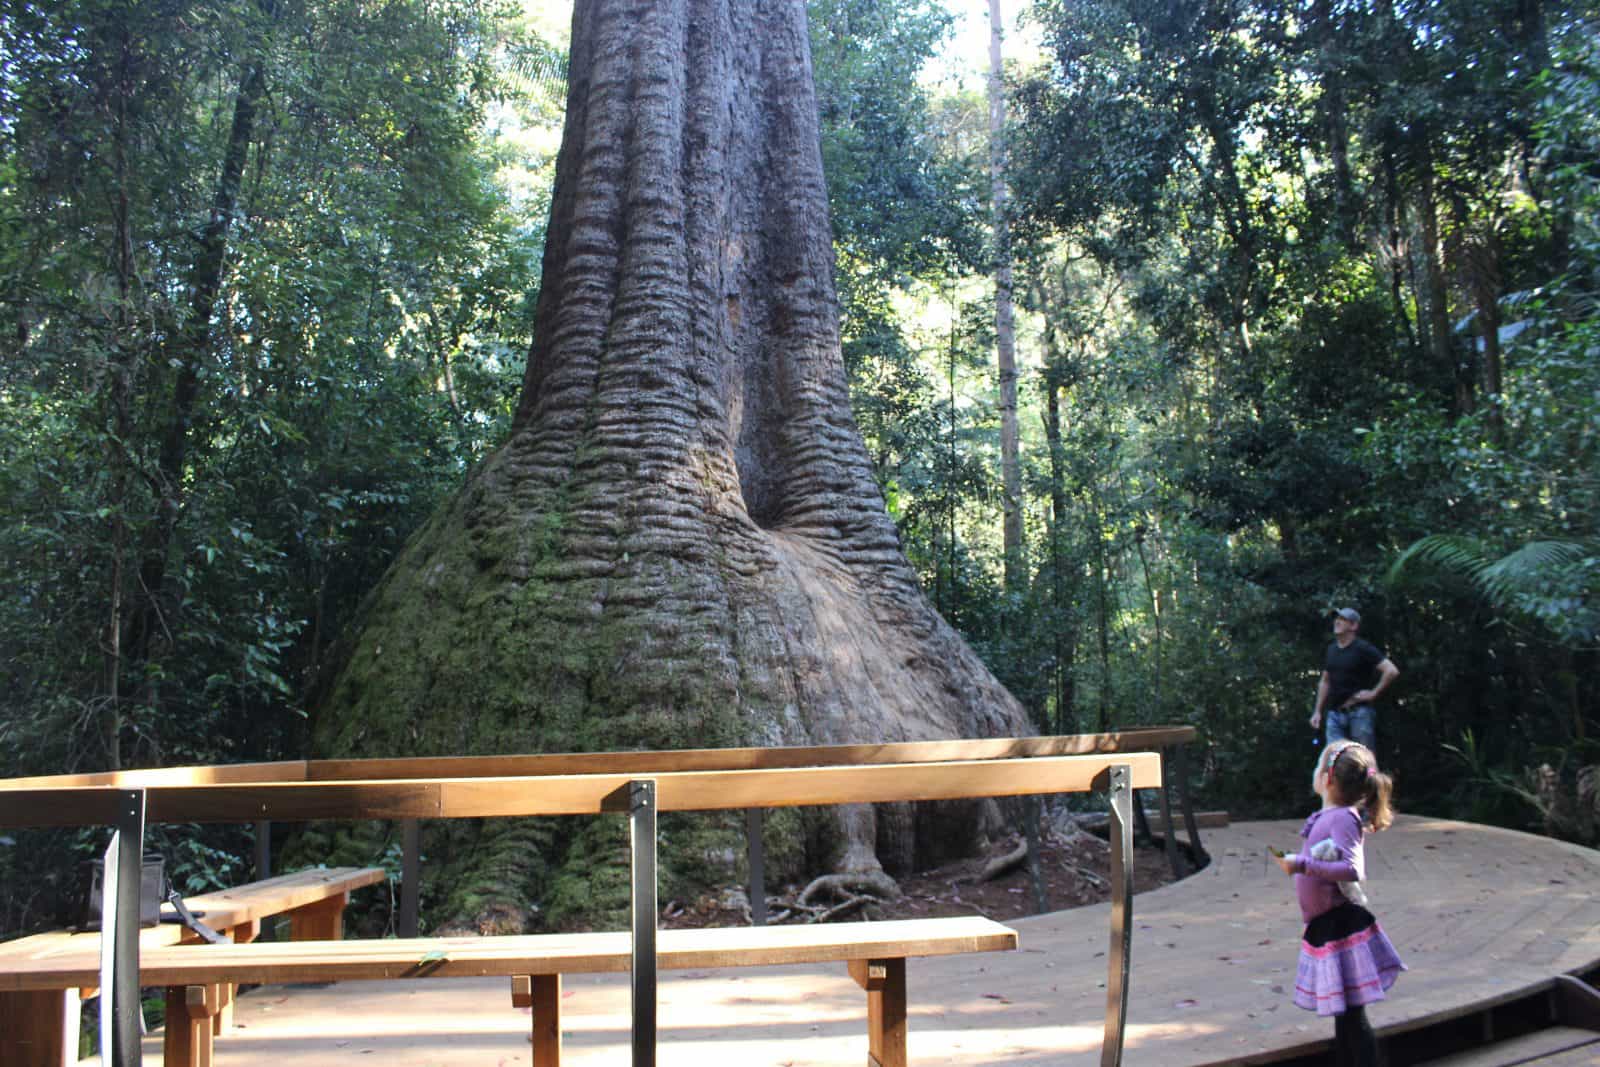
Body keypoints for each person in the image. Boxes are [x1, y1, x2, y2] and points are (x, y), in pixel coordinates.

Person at [1274, 741, 1406, 1067]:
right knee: (1344, 1014)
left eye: (1318, 766)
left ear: (1327, 778)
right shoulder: (1329, 816)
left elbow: (1352, 869)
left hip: (1341, 925)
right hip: (1326, 925)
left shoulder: (1343, 819)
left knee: (1351, 1015)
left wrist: (1304, 866)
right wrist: (1299, 862)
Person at [1310, 608, 1398, 749]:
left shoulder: (1363, 648)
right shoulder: (1331, 650)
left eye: (1342, 619)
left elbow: (1391, 671)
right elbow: (1325, 681)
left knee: (1363, 760)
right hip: (1334, 714)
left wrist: (1373, 693)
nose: (1337, 622)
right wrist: (1317, 711)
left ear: (1353, 626)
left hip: (1359, 713)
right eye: (1336, 618)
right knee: (1334, 761)